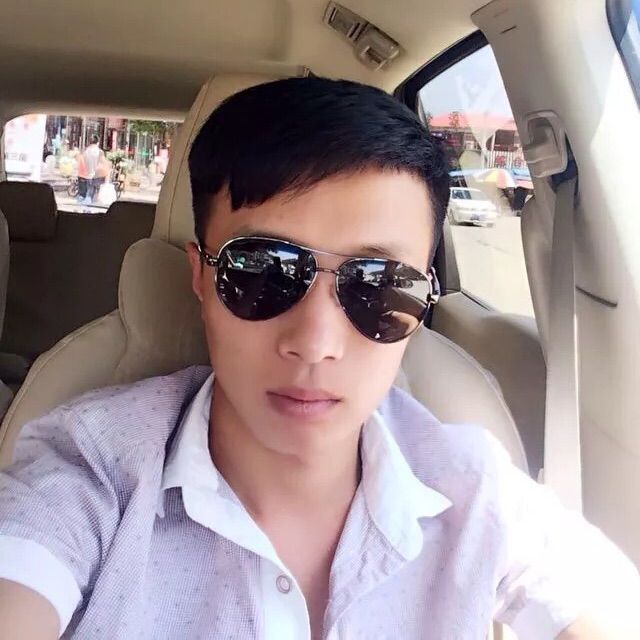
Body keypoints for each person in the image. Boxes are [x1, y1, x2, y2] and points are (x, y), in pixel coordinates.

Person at [0, 78, 638, 640]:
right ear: (200, 277)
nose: (315, 342)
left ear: (424, 300)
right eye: (262, 271)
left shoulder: (477, 492)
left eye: (380, 286)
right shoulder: (88, 470)